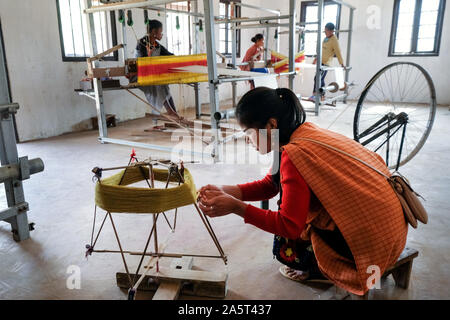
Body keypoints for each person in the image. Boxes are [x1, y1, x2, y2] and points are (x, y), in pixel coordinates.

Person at [197, 87, 408, 296]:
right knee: (293, 206)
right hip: (392, 230)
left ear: (271, 125)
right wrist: (226, 190)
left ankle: (320, 268)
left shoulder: (293, 155)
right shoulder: (301, 133)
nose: (247, 139)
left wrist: (236, 207)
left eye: (249, 133)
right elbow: (271, 184)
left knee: (287, 238)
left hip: (370, 247)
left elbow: (288, 225)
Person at [133, 19, 182, 123]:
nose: (162, 34)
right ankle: (170, 112)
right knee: (159, 86)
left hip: (152, 75)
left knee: (164, 86)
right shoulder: (141, 43)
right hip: (140, 75)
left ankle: (172, 112)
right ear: (154, 32)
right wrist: (149, 55)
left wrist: (183, 60)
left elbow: (169, 55)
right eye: (161, 31)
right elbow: (143, 63)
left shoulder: (157, 45)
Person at [309, 22, 345, 102]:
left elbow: (338, 52)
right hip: (320, 62)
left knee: (318, 78)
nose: (325, 32)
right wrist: (315, 59)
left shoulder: (334, 40)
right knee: (318, 78)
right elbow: (321, 51)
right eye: (325, 30)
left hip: (325, 64)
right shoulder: (326, 39)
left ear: (332, 31)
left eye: (326, 31)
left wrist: (341, 63)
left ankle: (317, 95)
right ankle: (319, 95)